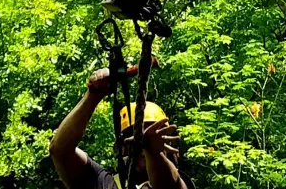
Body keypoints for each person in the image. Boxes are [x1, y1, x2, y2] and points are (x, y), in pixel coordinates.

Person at [49, 67, 192, 189]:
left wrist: (153, 152)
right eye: (136, 135)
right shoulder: (102, 182)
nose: (142, 141)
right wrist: (93, 94)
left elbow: (167, 185)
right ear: (121, 146)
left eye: (153, 133)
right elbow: (60, 151)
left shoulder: (177, 181)